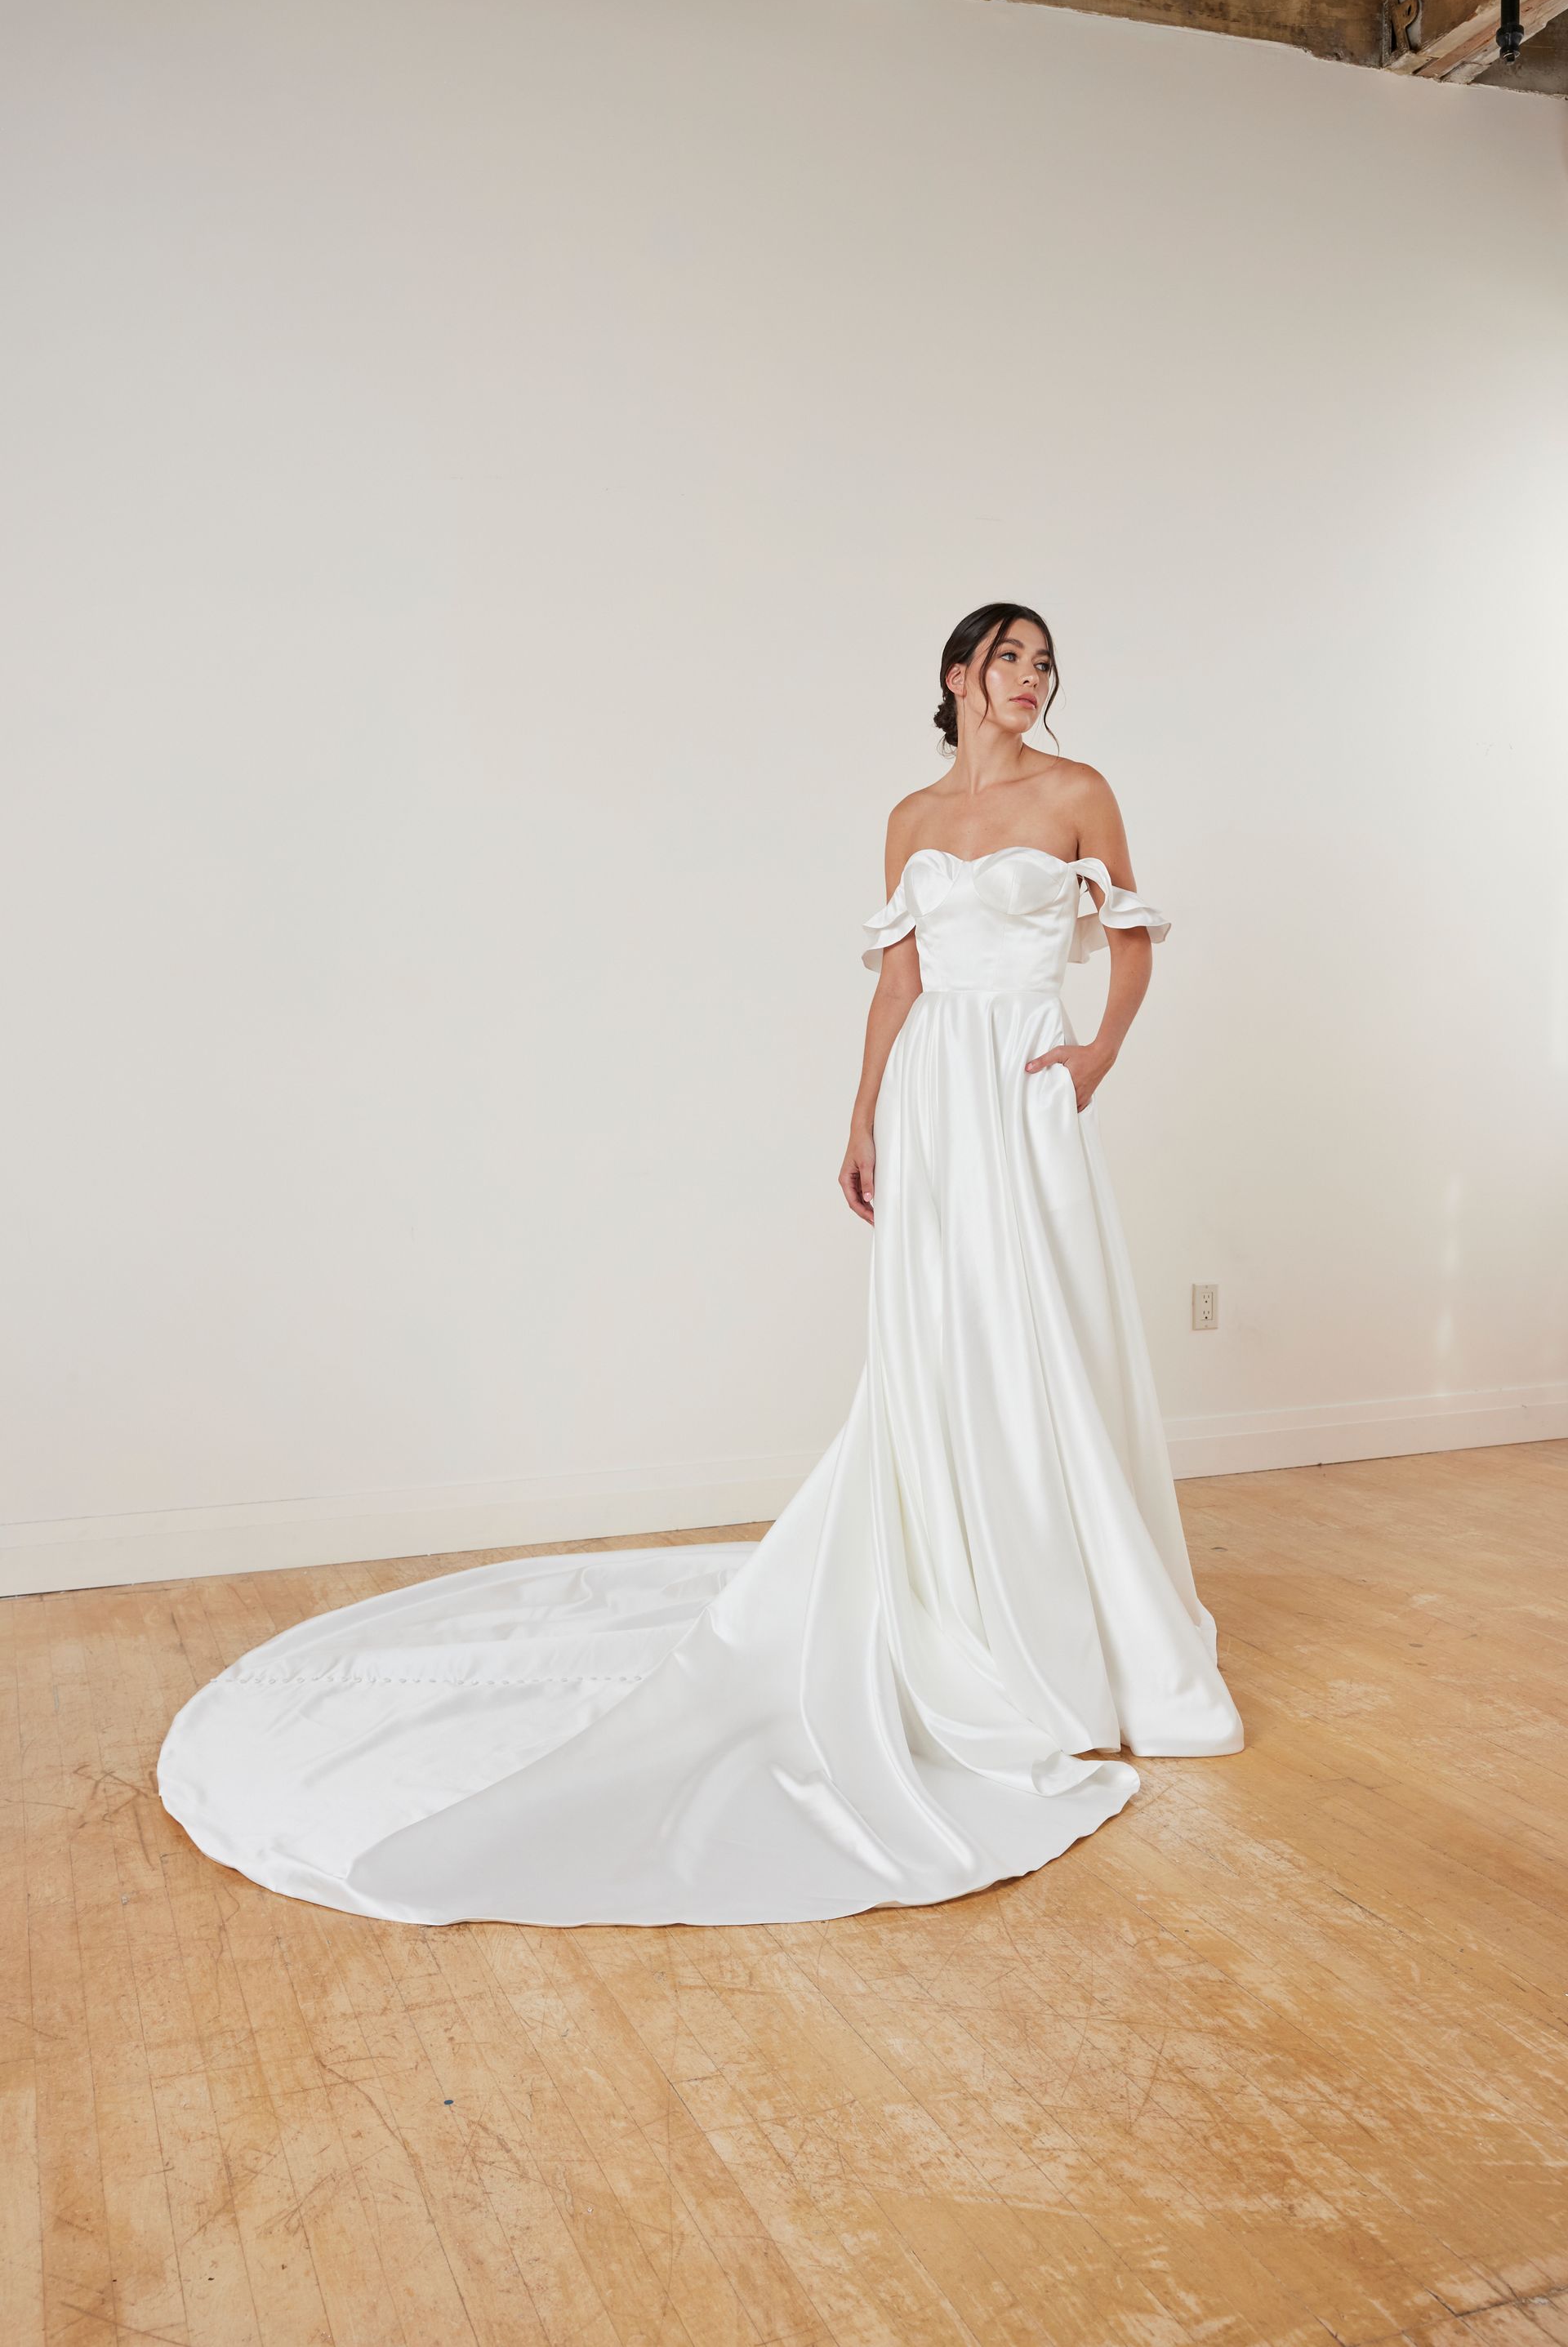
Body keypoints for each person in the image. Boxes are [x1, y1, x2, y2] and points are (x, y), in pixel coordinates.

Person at [157, 600, 1243, 1927]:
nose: (1033, 678)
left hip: (1021, 1087)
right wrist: (859, 1117)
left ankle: (1078, 1622)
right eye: (1009, 658)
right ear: (959, 675)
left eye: (1045, 663)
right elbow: (896, 989)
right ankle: (959, 1587)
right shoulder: (908, 819)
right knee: (942, 1342)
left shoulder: (1081, 791)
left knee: (1048, 1333)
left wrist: (1097, 1055)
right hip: (931, 1093)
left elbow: (1129, 941)